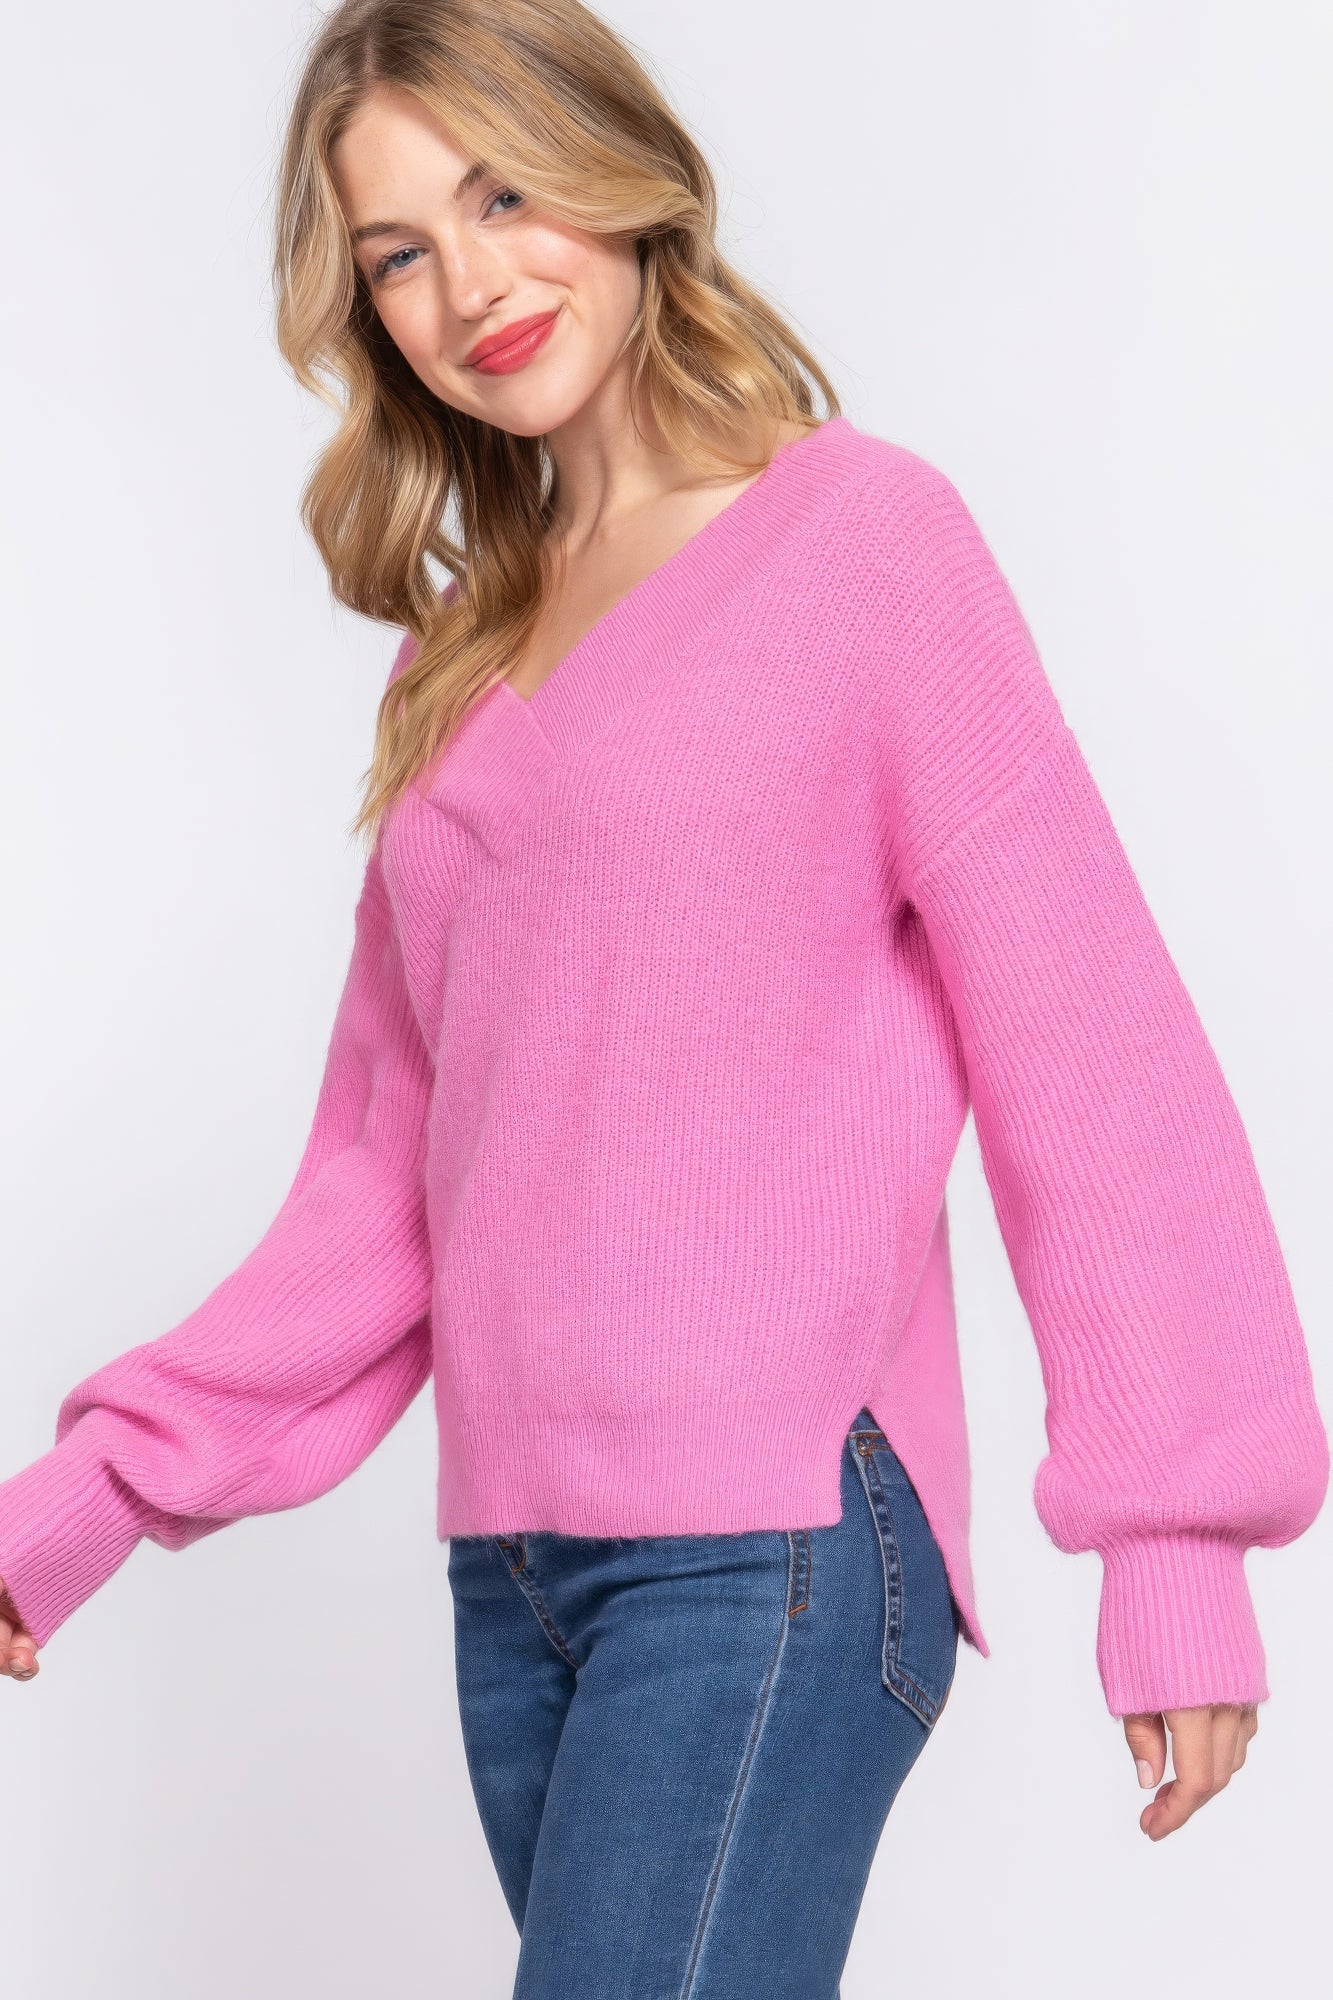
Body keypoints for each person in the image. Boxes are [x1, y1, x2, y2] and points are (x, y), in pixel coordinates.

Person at [1, 1, 1327, 1991]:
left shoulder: (867, 545)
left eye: (503, 196)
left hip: (774, 1534)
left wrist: (1177, 1535)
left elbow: (1088, 1044)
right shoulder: (451, 665)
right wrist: (90, 1492)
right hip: (513, 1576)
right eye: (397, 254)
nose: (470, 287)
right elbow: (384, 1185)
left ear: (617, 177)